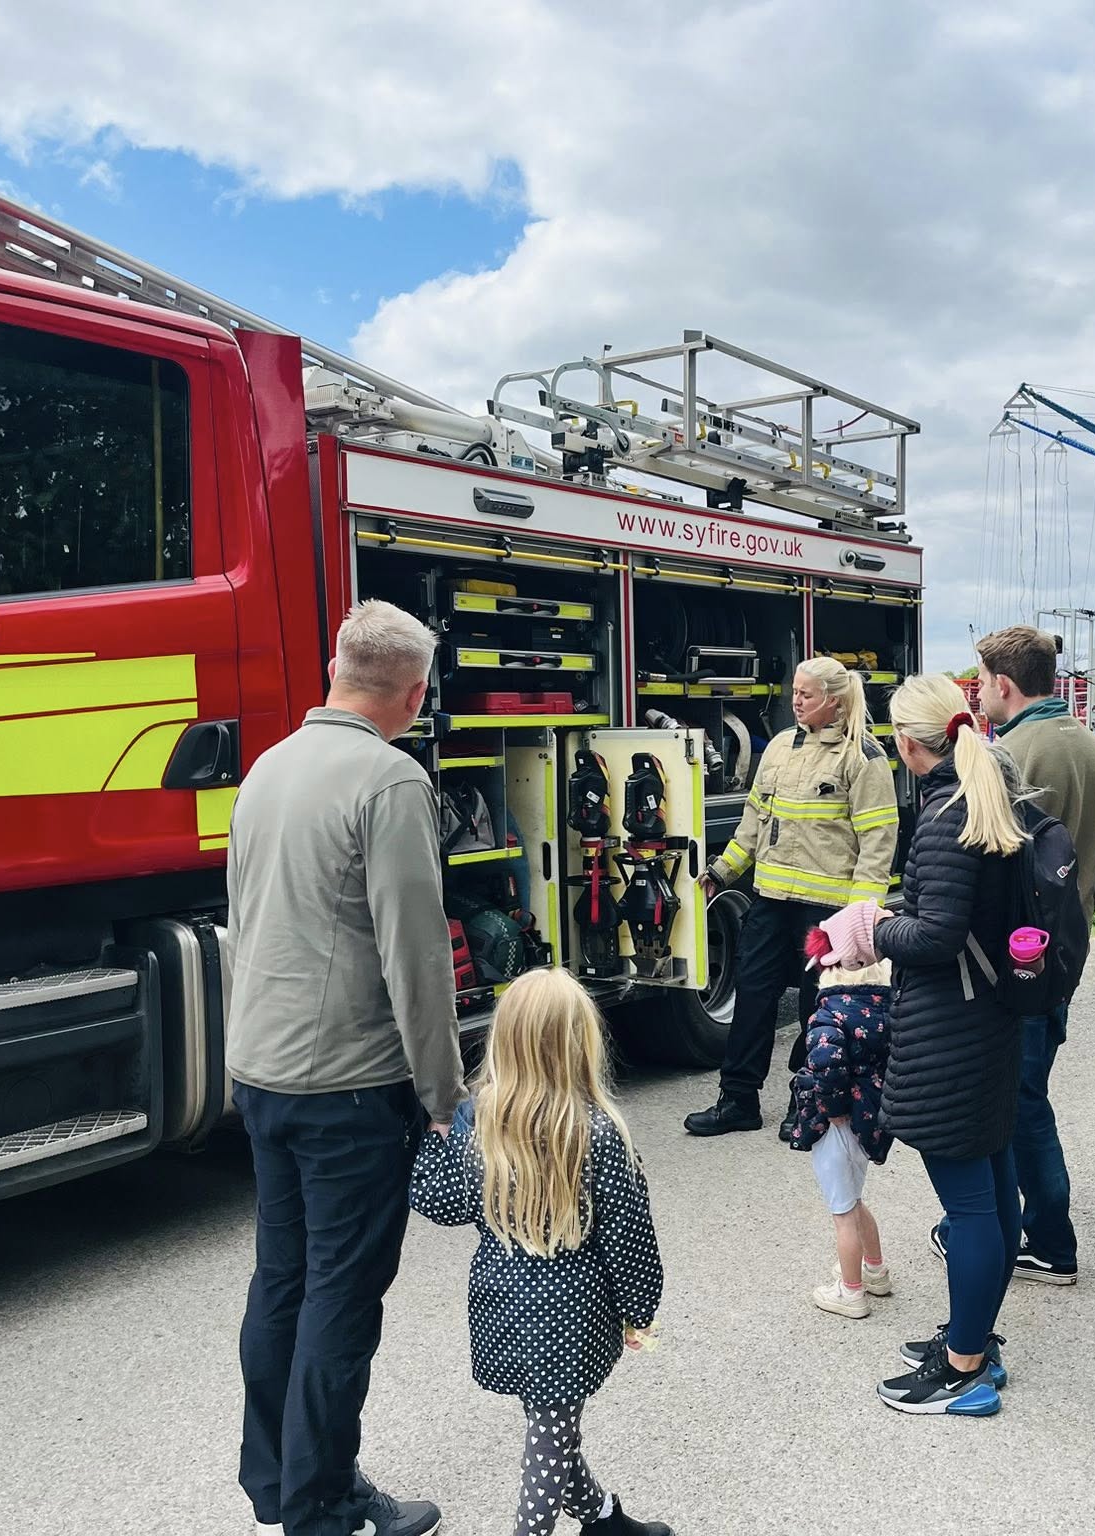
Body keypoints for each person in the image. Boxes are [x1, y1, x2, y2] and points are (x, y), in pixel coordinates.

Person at [225, 598, 462, 1536]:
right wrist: (443, 1097)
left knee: (279, 1280)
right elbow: (417, 956)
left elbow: (247, 919)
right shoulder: (389, 781)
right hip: (350, 1086)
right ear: (412, 694)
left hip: (266, 1072)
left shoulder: (267, 770)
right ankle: (323, 1504)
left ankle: (277, 1480)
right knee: (341, 1294)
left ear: (335, 668)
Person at [810, 673, 1024, 1416]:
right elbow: (953, 913)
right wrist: (895, 911)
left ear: (906, 744)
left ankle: (964, 1366)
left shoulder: (944, 816)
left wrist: (866, 928)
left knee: (969, 1206)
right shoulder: (985, 796)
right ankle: (975, 1335)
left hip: (948, 1034)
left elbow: (935, 935)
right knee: (994, 1192)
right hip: (989, 1023)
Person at [409, 969, 670, 1536]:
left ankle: (603, 1518)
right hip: (572, 1316)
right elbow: (628, 1239)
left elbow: (440, 1201)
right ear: (580, 1042)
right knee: (550, 1438)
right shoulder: (596, 1132)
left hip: (501, 1305)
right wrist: (639, 1309)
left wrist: (431, 1140)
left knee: (552, 1424)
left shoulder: (477, 1124)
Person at [926, 625, 1095, 1285]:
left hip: (1015, 964)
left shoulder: (1009, 754)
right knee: (1026, 1095)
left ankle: (1047, 1240)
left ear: (1003, 684)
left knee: (1017, 1102)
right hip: (1064, 951)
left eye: (979, 682)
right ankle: (1017, 1229)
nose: (976, 694)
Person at [685, 656, 899, 1139]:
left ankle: (805, 1102)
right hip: (771, 899)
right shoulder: (781, 747)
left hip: (826, 910)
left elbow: (878, 842)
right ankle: (738, 1099)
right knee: (753, 997)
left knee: (813, 1010)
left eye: (806, 694)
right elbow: (753, 825)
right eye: (795, 692)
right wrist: (722, 871)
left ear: (836, 701)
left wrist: (859, 919)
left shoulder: (862, 758)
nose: (795, 701)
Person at [788, 956, 895, 1320]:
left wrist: (832, 1111)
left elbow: (827, 1066)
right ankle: (875, 1270)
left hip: (836, 1123)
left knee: (843, 1211)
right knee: (855, 1197)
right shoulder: (886, 1011)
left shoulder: (827, 1016)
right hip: (870, 1118)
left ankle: (850, 1292)